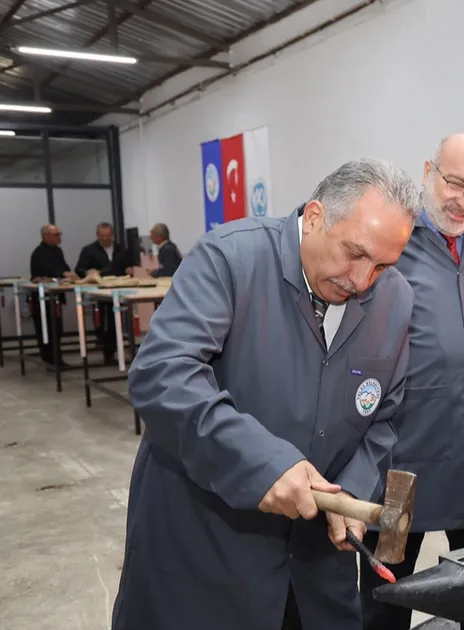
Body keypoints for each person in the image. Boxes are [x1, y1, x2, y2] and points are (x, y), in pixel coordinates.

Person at [111, 159, 420, 630]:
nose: (362, 281)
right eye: (354, 254)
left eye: (381, 265)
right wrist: (263, 462)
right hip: (208, 552)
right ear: (315, 216)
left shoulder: (395, 299)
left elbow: (384, 417)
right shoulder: (230, 260)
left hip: (318, 571)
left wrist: (355, 490)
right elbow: (161, 374)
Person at [359, 134, 464, 630]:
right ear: (428, 171)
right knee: (388, 592)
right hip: (402, 461)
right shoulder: (393, 244)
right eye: (455, 183)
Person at [75, 222, 128, 364]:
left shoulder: (120, 248)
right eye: (103, 236)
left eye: (109, 236)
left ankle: (115, 350)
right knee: (103, 322)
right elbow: (79, 269)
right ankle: (107, 350)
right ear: (97, 235)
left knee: (115, 322)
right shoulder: (88, 250)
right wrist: (88, 272)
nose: (106, 239)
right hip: (99, 293)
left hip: (118, 290)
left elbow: (125, 265)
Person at [28, 224, 75, 365]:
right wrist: (61, 275)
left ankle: (56, 358)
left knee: (57, 329)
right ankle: (50, 358)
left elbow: (63, 267)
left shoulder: (57, 251)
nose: (59, 237)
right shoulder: (39, 253)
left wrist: (68, 274)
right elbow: (47, 271)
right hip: (43, 299)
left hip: (55, 298)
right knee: (46, 329)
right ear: (46, 236)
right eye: (56, 234)